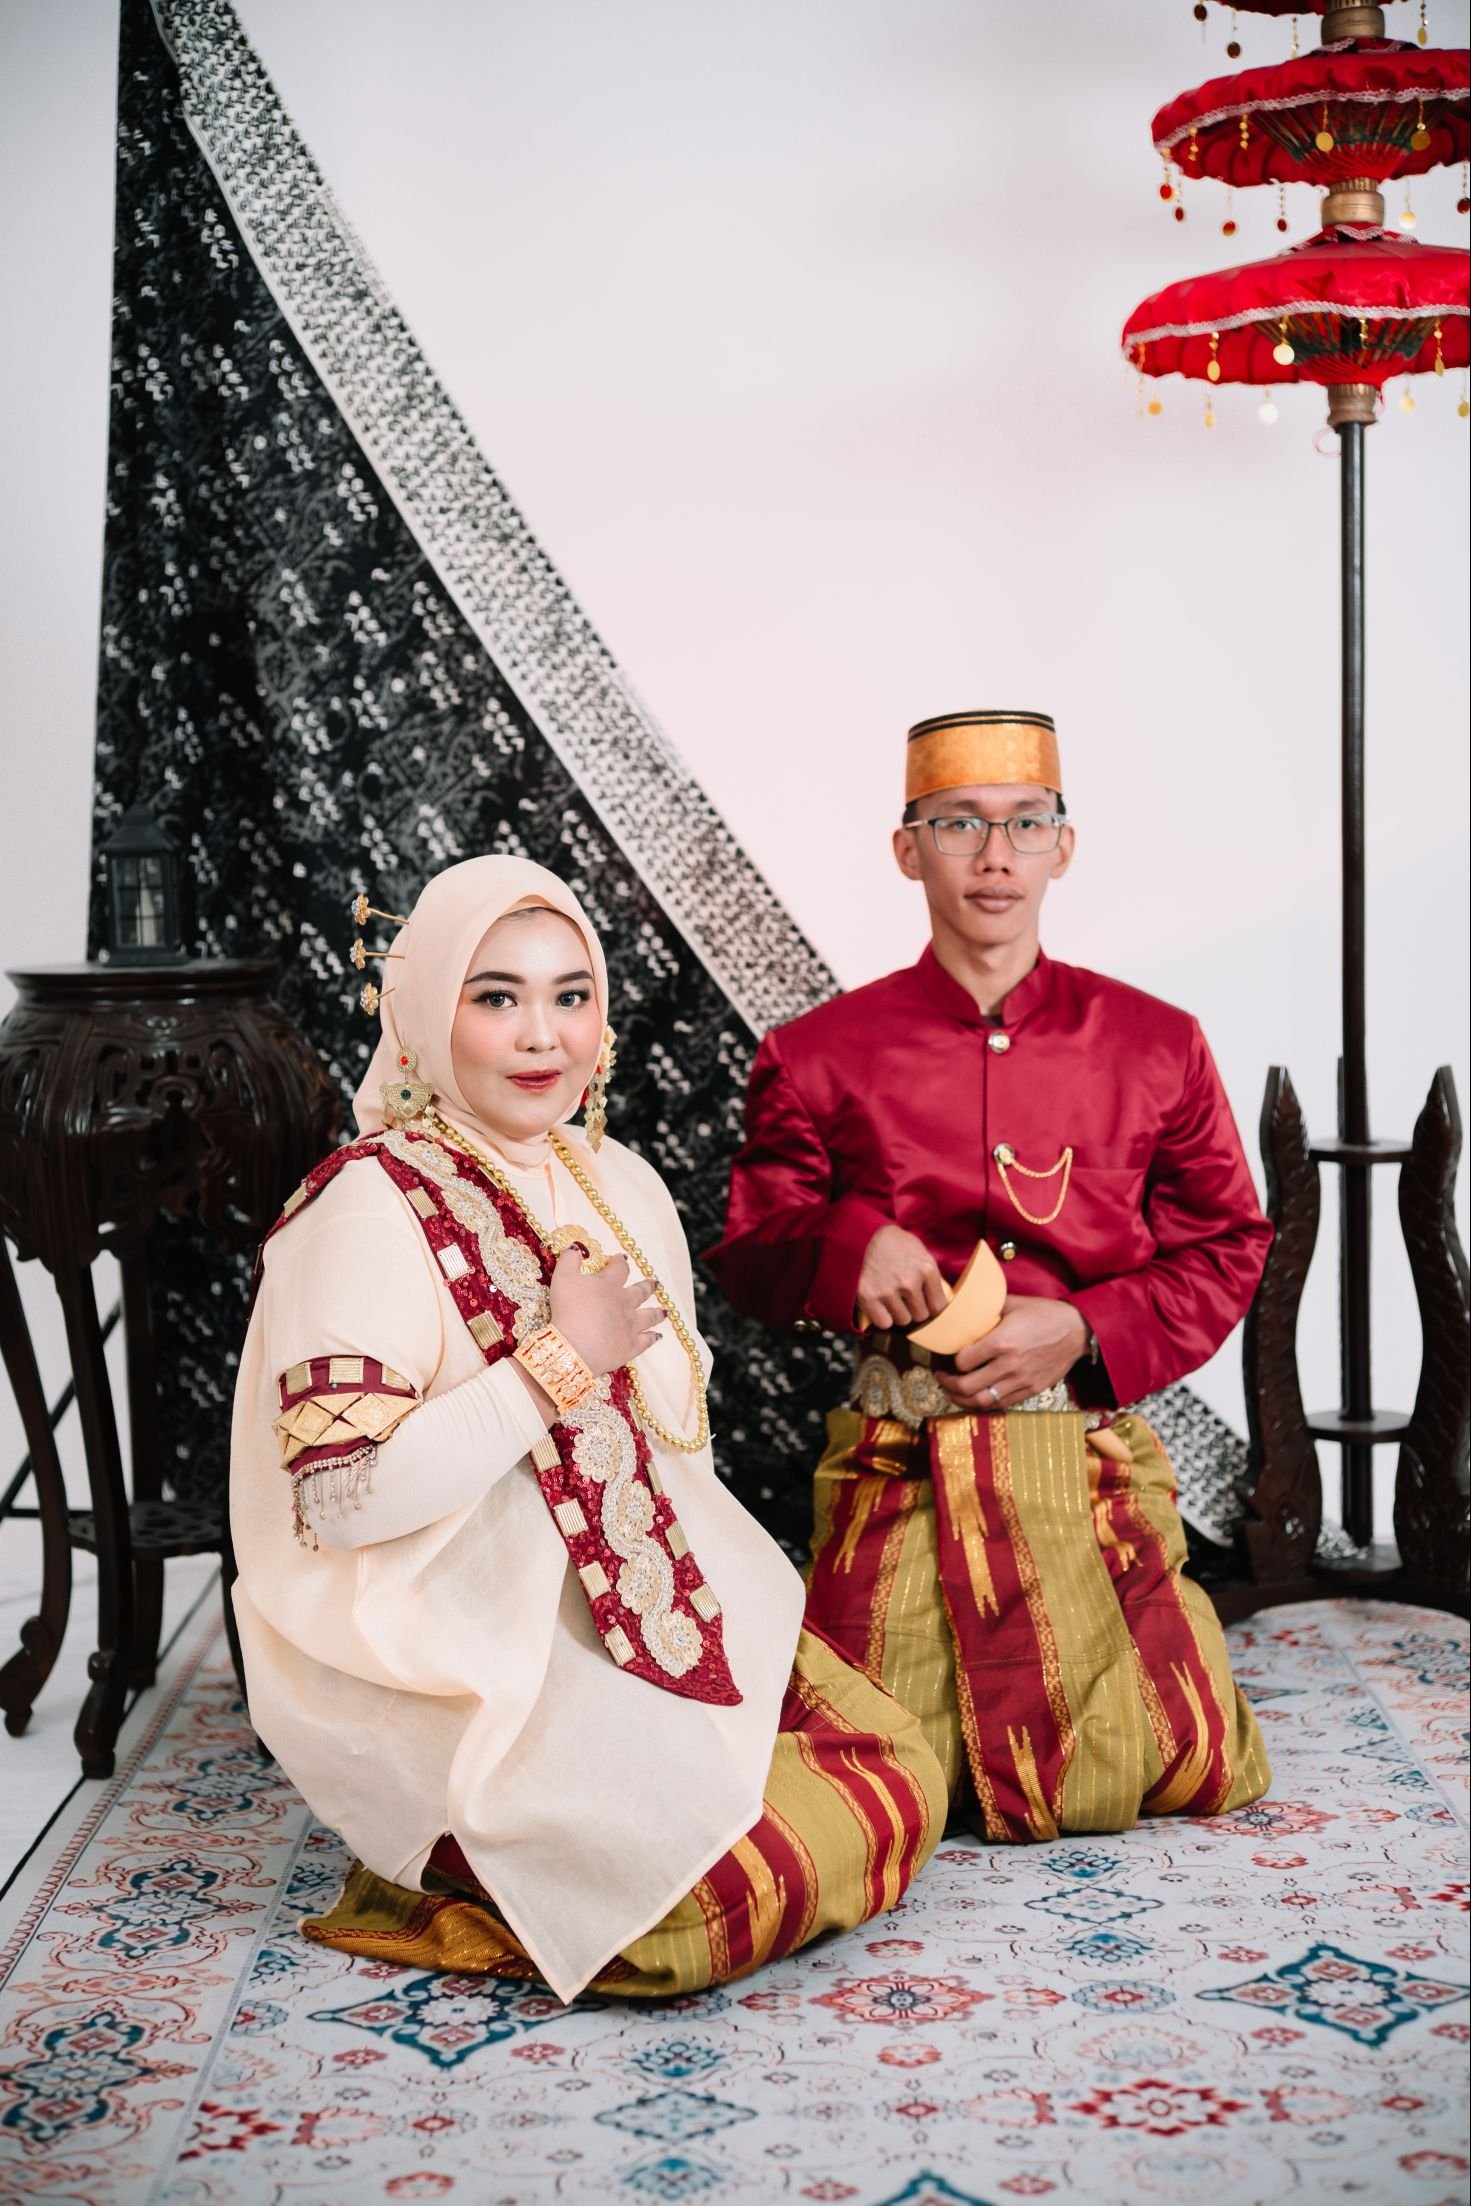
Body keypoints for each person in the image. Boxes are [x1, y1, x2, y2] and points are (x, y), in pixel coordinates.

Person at [229, 856, 946, 2004]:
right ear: (424, 1013)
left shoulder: (615, 1178)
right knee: (706, 1907)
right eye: (495, 996)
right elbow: (343, 1500)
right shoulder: (367, 1206)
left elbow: (674, 1436)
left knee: (898, 1774)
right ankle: (470, 1851)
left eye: (570, 996)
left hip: (634, 1606)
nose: (541, 1036)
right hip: (457, 1655)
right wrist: (558, 1360)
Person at [705, 710, 1271, 1841]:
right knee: (866, 1772)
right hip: (898, 1455)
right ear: (906, 849)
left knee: (1191, 1759)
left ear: (1065, 845)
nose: (995, 856)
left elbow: (1227, 1242)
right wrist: (848, 1243)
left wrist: (1085, 1326)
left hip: (1089, 1454)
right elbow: (750, 1251)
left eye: (1025, 824)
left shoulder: (1156, 1042)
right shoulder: (816, 1053)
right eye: (958, 824)